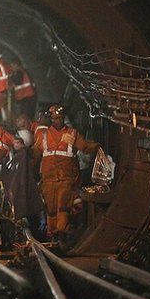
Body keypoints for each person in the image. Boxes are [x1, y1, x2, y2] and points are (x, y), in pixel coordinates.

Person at [32, 104, 100, 249]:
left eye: (61, 118)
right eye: (56, 118)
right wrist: (24, 154)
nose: (59, 121)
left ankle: (62, 235)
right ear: (50, 119)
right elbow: (35, 154)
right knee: (50, 209)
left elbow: (85, 147)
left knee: (63, 208)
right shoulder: (43, 135)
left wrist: (97, 147)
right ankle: (53, 235)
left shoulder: (72, 133)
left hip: (66, 178)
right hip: (48, 180)